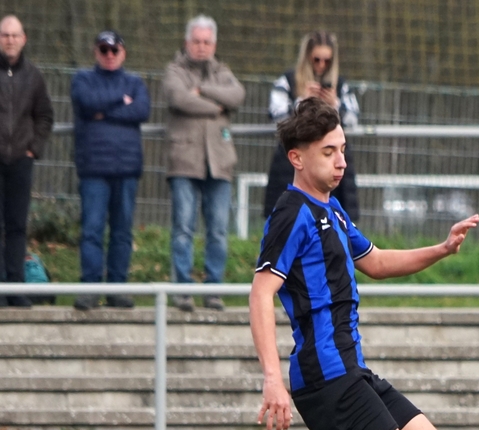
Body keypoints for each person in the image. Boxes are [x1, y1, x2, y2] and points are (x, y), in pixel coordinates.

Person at [249, 97, 479, 430]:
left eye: (343, 149)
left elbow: (374, 262)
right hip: (324, 378)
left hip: (353, 370)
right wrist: (271, 378)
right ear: (297, 158)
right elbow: (260, 294)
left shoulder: (332, 210)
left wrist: (441, 249)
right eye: (328, 152)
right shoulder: (291, 213)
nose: (341, 161)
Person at [163, 15, 246, 312]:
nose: (201, 46)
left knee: (218, 231)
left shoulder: (223, 71)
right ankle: (182, 291)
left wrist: (203, 91)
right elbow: (178, 99)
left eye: (207, 42)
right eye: (197, 41)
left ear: (214, 44)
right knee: (183, 228)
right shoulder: (174, 71)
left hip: (219, 162)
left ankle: (213, 290)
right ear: (187, 42)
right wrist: (216, 108)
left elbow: (237, 95)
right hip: (184, 161)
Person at [70, 31, 151, 311]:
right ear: (96, 52)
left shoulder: (135, 83)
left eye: (114, 50)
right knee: (91, 230)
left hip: (126, 168)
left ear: (123, 53)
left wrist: (103, 112)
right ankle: (90, 290)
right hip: (93, 168)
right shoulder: (82, 79)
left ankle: (117, 289)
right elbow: (87, 103)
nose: (109, 55)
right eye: (104, 49)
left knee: (122, 232)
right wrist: (121, 101)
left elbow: (141, 110)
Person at [263, 31, 360, 221]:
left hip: (330, 165)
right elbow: (277, 116)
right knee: (289, 219)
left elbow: (353, 119)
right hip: (293, 165)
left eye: (327, 61)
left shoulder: (340, 84)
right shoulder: (288, 80)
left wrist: (335, 104)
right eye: (316, 60)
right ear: (307, 58)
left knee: (334, 222)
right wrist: (302, 101)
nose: (321, 65)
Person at [0, 15, 53, 308]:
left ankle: (15, 287)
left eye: (14, 35)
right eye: (5, 35)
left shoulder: (34, 76)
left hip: (21, 161)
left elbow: (45, 116)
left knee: (17, 227)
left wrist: (34, 148)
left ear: (24, 39)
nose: (10, 40)